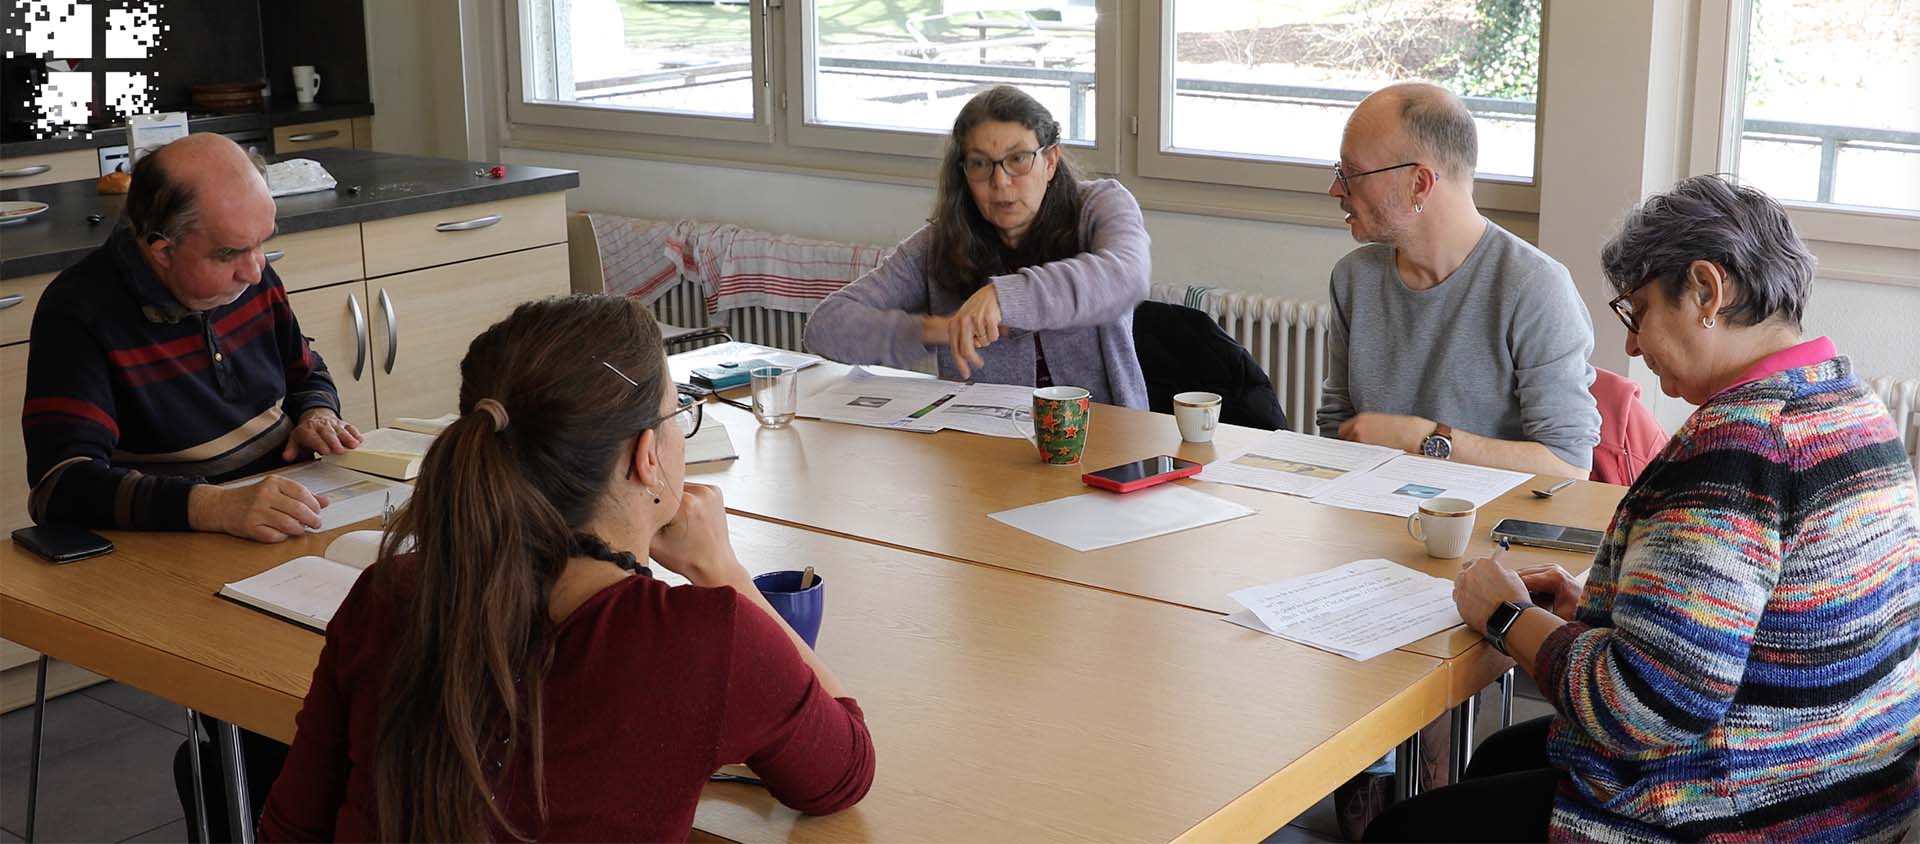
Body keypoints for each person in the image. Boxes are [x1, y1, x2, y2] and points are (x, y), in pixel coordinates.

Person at [1372, 175, 1920, 841]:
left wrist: (1505, 616)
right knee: (1498, 757)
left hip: (1747, 812)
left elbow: (1642, 709)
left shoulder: (1739, 447)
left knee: (1403, 831)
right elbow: (1760, 622)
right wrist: (1601, 612)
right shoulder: (1849, 406)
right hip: (1846, 785)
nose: (1630, 347)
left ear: (1707, 291)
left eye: (1637, 313)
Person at [259, 295, 876, 841]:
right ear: (646, 457)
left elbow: (294, 825)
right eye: (677, 413)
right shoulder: (702, 637)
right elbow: (842, 770)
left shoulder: (391, 592)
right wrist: (723, 570)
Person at [22, 132, 362, 540]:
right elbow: (60, 485)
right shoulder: (79, 311)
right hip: (175, 543)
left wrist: (317, 415)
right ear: (162, 251)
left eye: (262, 243)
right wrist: (214, 505)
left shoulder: (247, 274)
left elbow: (305, 373)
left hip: (284, 515)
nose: (255, 271)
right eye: (229, 253)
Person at [1315, 82, 1599, 478]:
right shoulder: (1353, 278)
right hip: (1369, 518)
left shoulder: (1535, 287)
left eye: (1352, 174)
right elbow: (1337, 428)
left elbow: (1568, 465)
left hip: (1484, 529)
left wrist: (1424, 438)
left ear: (1419, 184)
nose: (1335, 189)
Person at [805, 85, 1151, 408]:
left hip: (1105, 439)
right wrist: (937, 328)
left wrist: (1004, 297)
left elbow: (1127, 276)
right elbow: (825, 327)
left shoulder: (1099, 204)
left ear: (1050, 161)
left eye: (1018, 159)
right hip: (984, 449)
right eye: (981, 164)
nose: (1000, 182)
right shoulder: (939, 243)